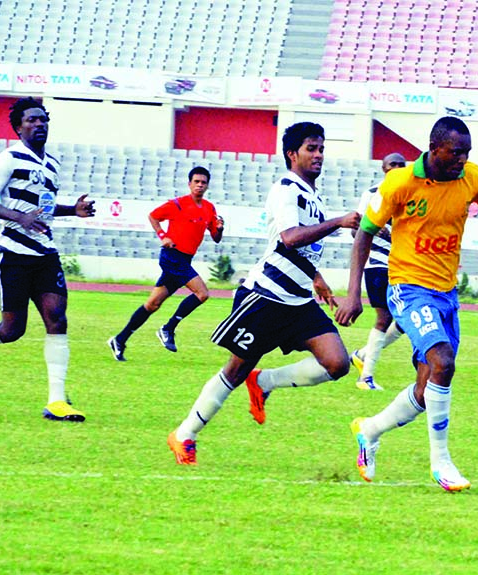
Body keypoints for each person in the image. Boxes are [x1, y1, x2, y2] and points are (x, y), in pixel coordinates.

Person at [335, 116, 478, 491]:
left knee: (428, 387)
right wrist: (353, 293)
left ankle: (369, 430)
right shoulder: (400, 182)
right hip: (408, 287)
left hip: (445, 292)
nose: (462, 159)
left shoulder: (472, 178)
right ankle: (442, 463)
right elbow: (364, 235)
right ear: (434, 148)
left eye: (467, 153)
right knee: (443, 360)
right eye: (456, 152)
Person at [167, 122, 360, 465]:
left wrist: (316, 277)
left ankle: (265, 382)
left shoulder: (312, 195)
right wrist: (339, 221)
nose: (318, 155)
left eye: (321, 148)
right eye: (311, 148)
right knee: (234, 370)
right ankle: (185, 434)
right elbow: (290, 238)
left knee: (337, 363)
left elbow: (299, 247)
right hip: (266, 296)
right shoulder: (286, 188)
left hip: (299, 300)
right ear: (292, 153)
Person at [0, 97, 96, 422]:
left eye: (43, 120)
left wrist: (73, 210)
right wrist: (18, 217)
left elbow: (45, 208)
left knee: (57, 319)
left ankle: (56, 401)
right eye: (32, 121)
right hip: (12, 253)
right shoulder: (8, 158)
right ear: (19, 127)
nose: (39, 125)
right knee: (12, 331)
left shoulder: (51, 165)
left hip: (44, 253)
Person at [107, 166, 224, 361]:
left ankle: (119, 339)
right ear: (189, 184)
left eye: (203, 182)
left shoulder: (209, 208)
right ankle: (168, 328)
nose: (200, 185)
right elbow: (153, 216)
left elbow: (216, 237)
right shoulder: (177, 204)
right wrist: (163, 236)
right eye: (196, 181)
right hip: (172, 256)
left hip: (185, 259)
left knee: (152, 304)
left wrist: (220, 228)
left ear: (207, 185)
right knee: (202, 293)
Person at [349, 152, 407, 391]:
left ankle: (363, 355)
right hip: (377, 263)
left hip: (402, 265)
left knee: (404, 321)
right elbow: (357, 232)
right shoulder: (372, 194)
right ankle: (366, 378)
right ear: (383, 168)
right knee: (384, 318)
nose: (396, 168)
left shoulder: (408, 194)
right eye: (392, 164)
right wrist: (374, 231)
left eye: (401, 165)